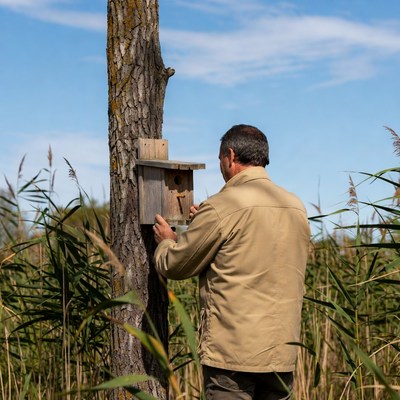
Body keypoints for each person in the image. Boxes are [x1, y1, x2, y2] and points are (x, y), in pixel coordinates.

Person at [153, 124, 310, 399]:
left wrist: (167, 240)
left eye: (220, 160)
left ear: (230, 156)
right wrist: (203, 224)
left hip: (233, 359)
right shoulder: (295, 207)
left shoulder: (223, 205)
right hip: (281, 355)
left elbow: (176, 265)